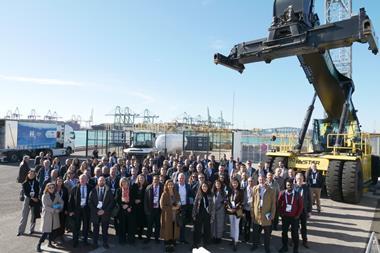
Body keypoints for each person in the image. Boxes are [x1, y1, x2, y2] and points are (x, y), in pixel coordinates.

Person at [251, 175, 276, 253]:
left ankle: (267, 248)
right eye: (260, 179)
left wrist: (272, 215)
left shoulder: (271, 190)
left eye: (263, 179)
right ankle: (255, 245)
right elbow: (252, 202)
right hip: (256, 214)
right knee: (255, 232)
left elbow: (273, 204)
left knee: (267, 234)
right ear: (258, 180)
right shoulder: (255, 188)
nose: (261, 180)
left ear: (265, 180)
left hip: (266, 214)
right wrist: (252, 213)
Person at [36, 183, 64, 252]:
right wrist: (54, 209)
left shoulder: (57, 194)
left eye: (53, 187)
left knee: (53, 231)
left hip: (55, 216)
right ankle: (38, 245)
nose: (51, 189)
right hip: (47, 216)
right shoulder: (44, 196)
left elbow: (61, 202)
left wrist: (59, 208)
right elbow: (45, 207)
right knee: (46, 232)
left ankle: (50, 243)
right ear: (47, 188)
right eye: (50, 188)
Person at [278, 179, 304, 253]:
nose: (289, 186)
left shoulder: (297, 194)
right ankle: (284, 247)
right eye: (288, 185)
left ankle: (295, 249)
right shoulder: (282, 193)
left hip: (294, 217)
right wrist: (281, 213)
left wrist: (297, 215)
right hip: (285, 217)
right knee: (284, 232)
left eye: (291, 185)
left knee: (295, 233)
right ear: (286, 186)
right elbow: (278, 204)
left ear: (293, 185)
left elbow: (301, 206)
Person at [89, 176, 115, 248]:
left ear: (105, 182)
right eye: (100, 180)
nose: (101, 182)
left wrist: (104, 211)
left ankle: (105, 243)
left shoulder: (108, 190)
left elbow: (111, 202)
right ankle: (95, 243)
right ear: (98, 182)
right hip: (96, 213)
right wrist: (97, 211)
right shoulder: (93, 190)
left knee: (105, 230)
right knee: (95, 229)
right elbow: (90, 202)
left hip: (105, 213)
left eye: (103, 180)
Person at [68, 174, 91, 247]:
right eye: (82, 179)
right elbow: (70, 200)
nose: (83, 180)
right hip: (77, 210)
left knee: (86, 226)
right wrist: (70, 211)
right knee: (76, 226)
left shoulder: (90, 187)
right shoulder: (74, 188)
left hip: (86, 210)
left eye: (84, 179)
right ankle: (75, 241)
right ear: (79, 180)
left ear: (87, 180)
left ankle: (85, 240)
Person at [192, 182, 214, 249]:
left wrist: (212, 217)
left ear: (208, 187)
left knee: (207, 230)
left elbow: (213, 206)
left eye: (206, 186)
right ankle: (195, 243)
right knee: (197, 229)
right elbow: (195, 204)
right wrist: (193, 214)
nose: (204, 188)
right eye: (203, 186)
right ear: (201, 187)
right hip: (199, 213)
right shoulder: (198, 194)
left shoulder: (211, 195)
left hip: (207, 214)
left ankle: (206, 244)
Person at [17, 169, 40, 236]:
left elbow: (38, 191)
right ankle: (21, 231)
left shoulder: (36, 182)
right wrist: (32, 198)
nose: (31, 175)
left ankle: (32, 230)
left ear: (35, 175)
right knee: (24, 216)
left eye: (33, 174)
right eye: (30, 174)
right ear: (28, 174)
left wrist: (36, 198)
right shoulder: (25, 183)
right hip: (27, 199)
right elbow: (26, 193)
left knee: (33, 216)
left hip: (35, 200)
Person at [160, 180, 180, 252]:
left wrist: (178, 205)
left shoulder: (176, 193)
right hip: (167, 215)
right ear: (166, 185)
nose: (170, 186)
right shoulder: (164, 194)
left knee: (174, 228)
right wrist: (171, 208)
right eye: (169, 185)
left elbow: (179, 201)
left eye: (172, 184)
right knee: (168, 230)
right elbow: (162, 206)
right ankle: (167, 245)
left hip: (175, 215)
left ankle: (172, 243)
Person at [115, 177, 135, 244]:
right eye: (123, 182)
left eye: (125, 181)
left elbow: (133, 199)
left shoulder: (131, 190)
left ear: (128, 182)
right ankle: (122, 240)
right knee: (122, 225)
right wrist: (122, 205)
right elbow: (117, 199)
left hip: (130, 209)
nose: (124, 183)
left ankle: (130, 240)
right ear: (121, 183)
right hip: (121, 210)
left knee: (130, 226)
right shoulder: (118, 190)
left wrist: (129, 206)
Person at [144, 175, 164, 244]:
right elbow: (145, 200)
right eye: (154, 179)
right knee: (149, 225)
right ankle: (148, 238)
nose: (156, 181)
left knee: (158, 225)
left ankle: (156, 238)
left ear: (159, 180)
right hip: (150, 210)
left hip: (158, 210)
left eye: (157, 179)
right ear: (153, 180)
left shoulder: (162, 187)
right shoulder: (148, 188)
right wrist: (146, 210)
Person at [294, 173, 312, 248]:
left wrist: (309, 211)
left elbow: (309, 200)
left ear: (303, 179)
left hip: (304, 211)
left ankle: (305, 241)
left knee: (303, 227)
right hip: (295, 211)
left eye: (301, 179)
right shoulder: (293, 187)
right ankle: (294, 240)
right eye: (298, 178)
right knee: (295, 227)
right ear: (295, 179)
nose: (299, 180)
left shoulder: (306, 187)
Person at [174, 173, 193, 244]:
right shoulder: (175, 186)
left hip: (184, 207)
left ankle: (182, 238)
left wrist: (190, 202)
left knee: (182, 224)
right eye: (180, 178)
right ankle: (175, 238)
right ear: (178, 179)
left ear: (185, 179)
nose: (181, 179)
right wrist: (175, 203)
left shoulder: (188, 186)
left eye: (183, 178)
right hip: (176, 207)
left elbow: (191, 195)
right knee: (176, 223)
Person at [226, 177, 243, 251]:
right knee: (232, 225)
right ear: (231, 183)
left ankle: (236, 242)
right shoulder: (230, 191)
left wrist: (235, 209)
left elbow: (241, 202)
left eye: (236, 183)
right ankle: (232, 239)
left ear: (238, 183)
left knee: (236, 226)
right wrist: (229, 207)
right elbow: (227, 200)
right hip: (230, 210)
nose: (234, 184)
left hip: (238, 211)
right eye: (233, 183)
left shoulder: (241, 191)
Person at [131, 174, 147, 239]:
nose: (141, 180)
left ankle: (140, 234)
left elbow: (147, 197)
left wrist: (140, 200)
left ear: (144, 179)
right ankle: (134, 234)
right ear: (138, 179)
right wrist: (135, 200)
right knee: (135, 220)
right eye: (140, 178)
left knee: (141, 221)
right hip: (135, 206)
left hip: (142, 206)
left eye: (142, 178)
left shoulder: (146, 186)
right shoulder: (134, 185)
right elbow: (131, 194)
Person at [211, 179, 226, 243]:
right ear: (215, 184)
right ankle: (213, 236)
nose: (218, 185)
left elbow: (225, 201)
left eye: (219, 184)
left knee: (219, 224)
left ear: (221, 185)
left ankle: (218, 237)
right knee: (213, 224)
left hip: (220, 210)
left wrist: (224, 203)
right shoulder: (212, 192)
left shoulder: (223, 192)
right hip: (213, 210)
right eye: (216, 184)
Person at [55, 177, 69, 245]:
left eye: (61, 181)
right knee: (55, 223)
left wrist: (66, 209)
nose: (59, 182)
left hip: (63, 209)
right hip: (54, 209)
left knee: (62, 223)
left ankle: (61, 235)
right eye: (58, 181)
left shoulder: (65, 189)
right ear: (56, 181)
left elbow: (66, 200)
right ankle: (55, 236)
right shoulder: (53, 189)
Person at [242, 176, 255, 243]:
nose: (250, 182)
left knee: (253, 224)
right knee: (246, 224)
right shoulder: (244, 189)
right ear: (247, 182)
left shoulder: (255, 189)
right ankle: (246, 237)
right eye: (249, 181)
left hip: (253, 209)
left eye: (251, 181)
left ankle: (254, 238)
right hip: (245, 209)